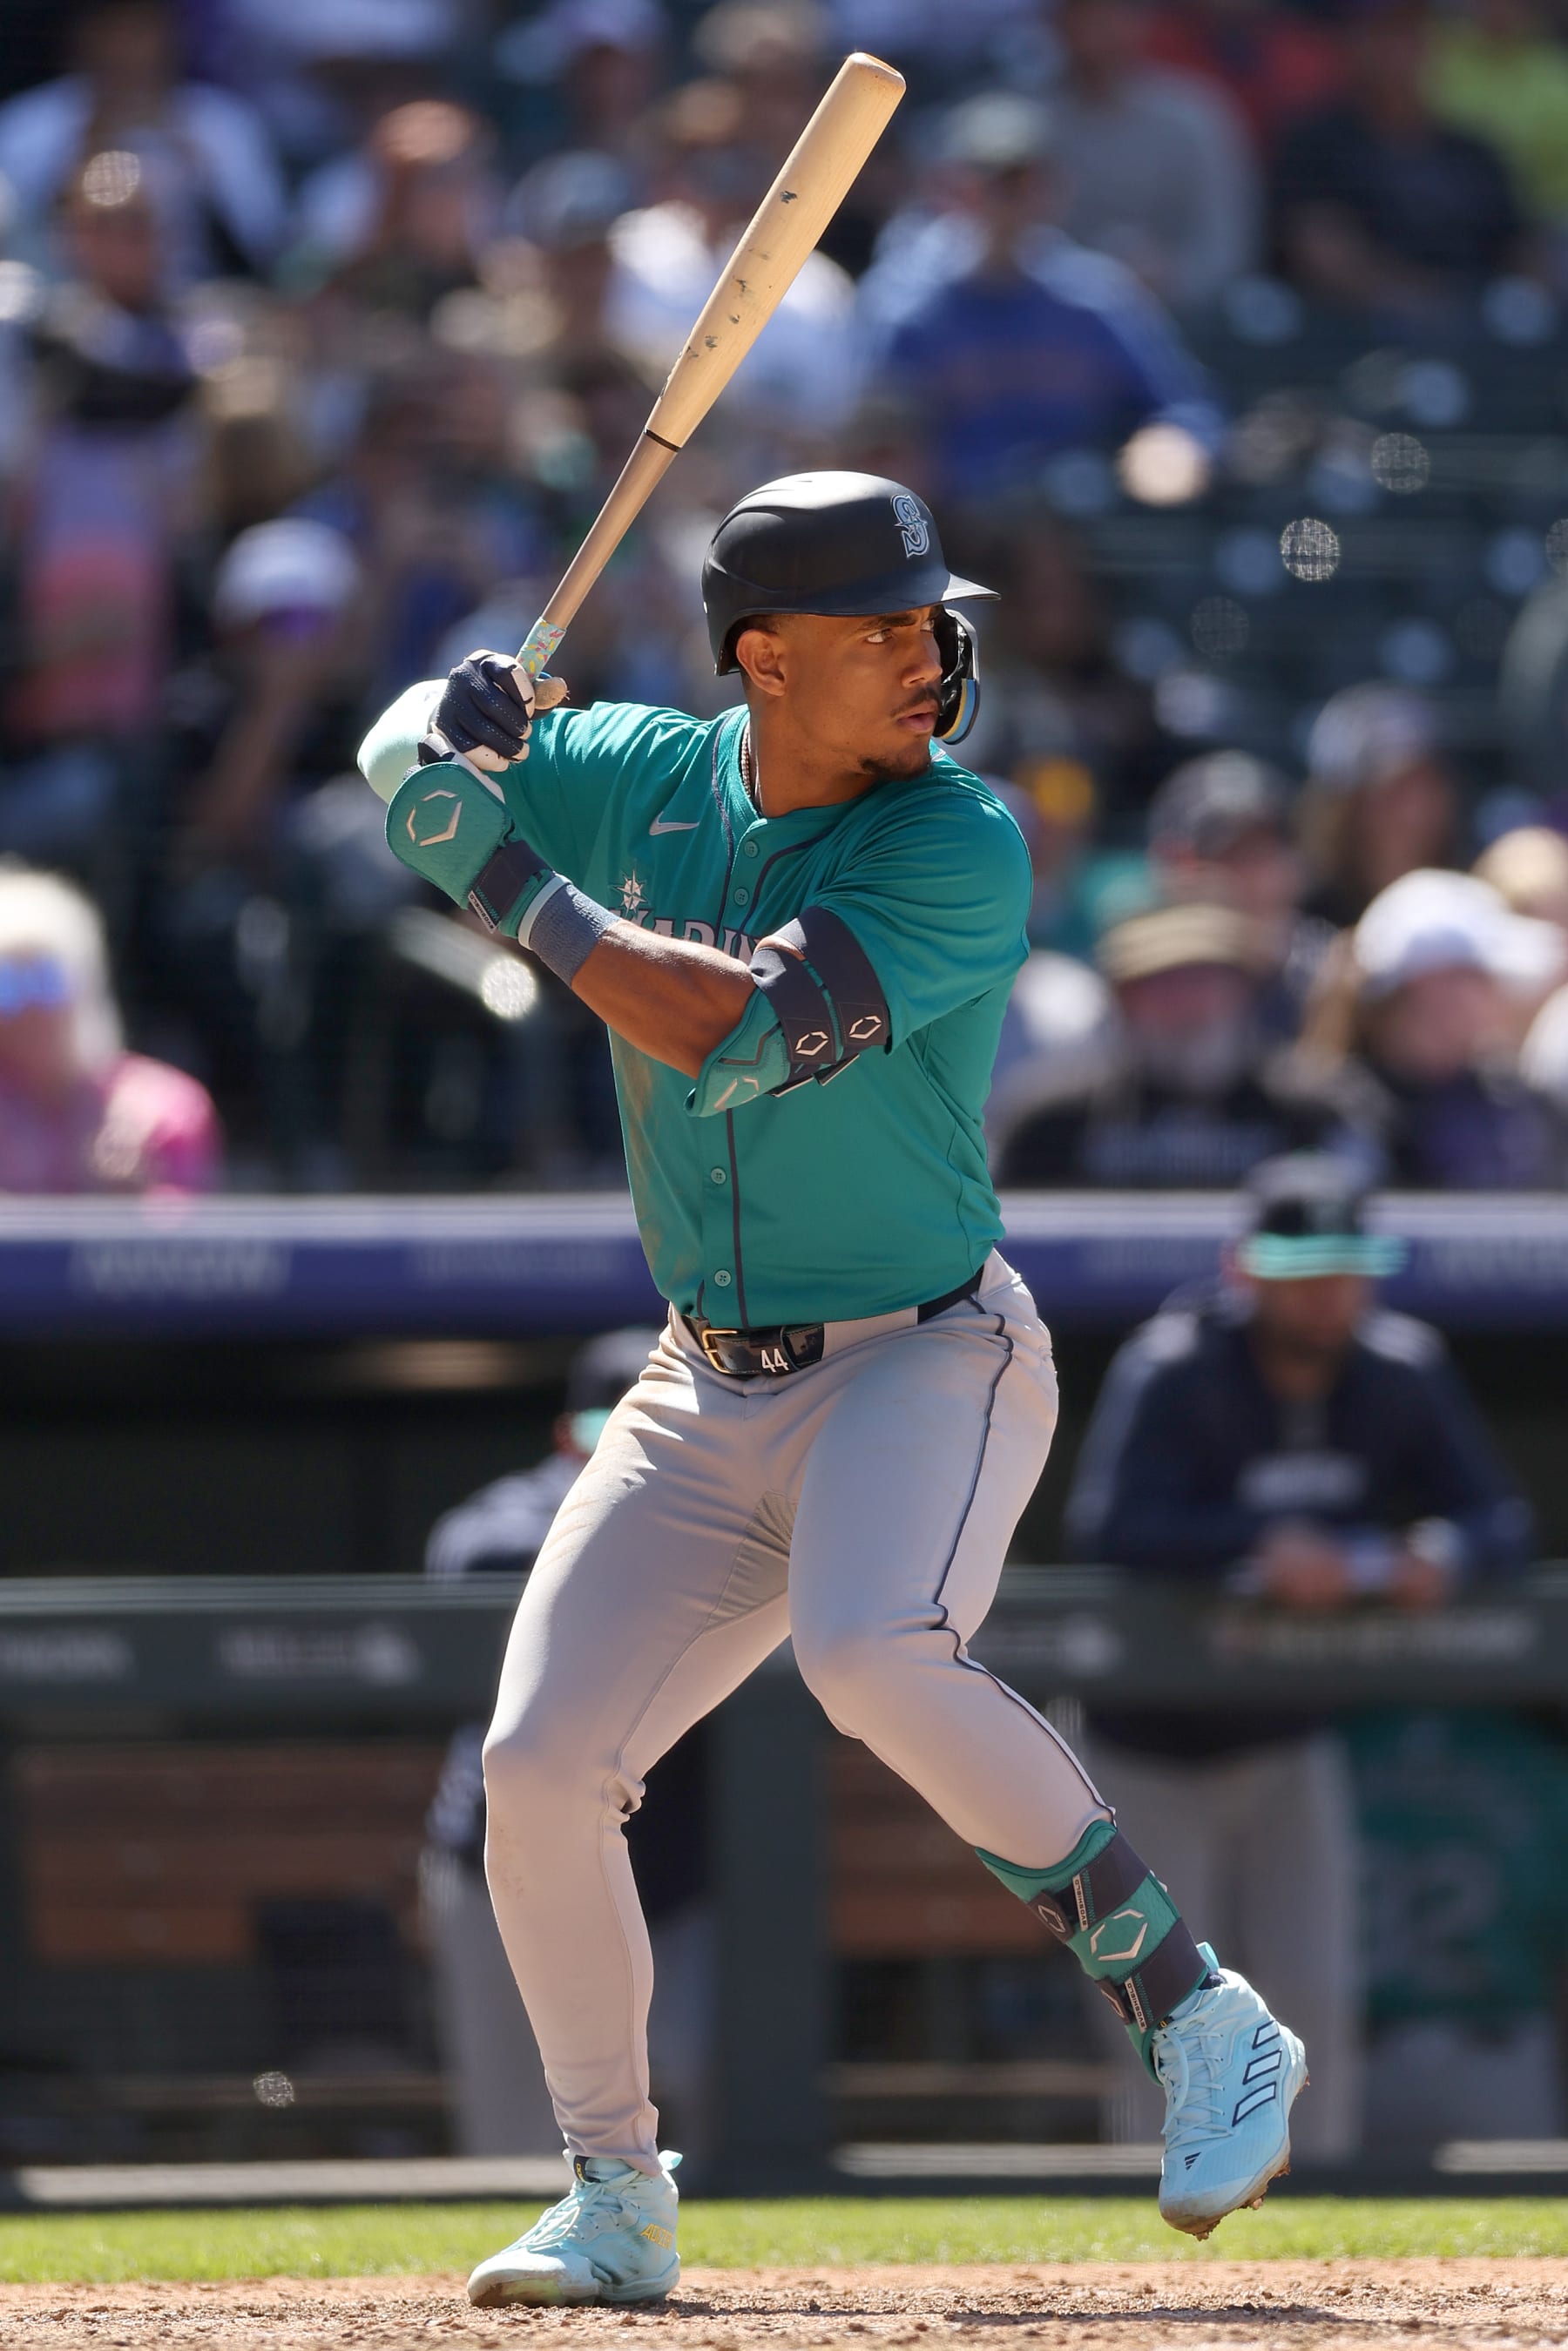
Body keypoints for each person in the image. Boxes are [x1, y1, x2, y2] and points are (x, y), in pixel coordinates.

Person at [358, 470, 1306, 2304]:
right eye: (879, 628)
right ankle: (614, 2188)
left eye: (929, 619)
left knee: (874, 1647)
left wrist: (480, 851)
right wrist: (453, 714)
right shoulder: (641, 765)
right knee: (538, 1766)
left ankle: (1197, 2009)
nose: (927, 654)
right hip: (698, 1382)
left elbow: (717, 1027)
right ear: (762, 656)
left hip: (926, 1352)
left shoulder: (957, 839)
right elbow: (395, 745)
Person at [1064, 1153, 1534, 2161]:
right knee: (1155, 2010)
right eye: (1305, 1269)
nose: (1329, 1296)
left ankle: (1319, 2217)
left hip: (1288, 1735)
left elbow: (1497, 1515)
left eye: (1347, 1269)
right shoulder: (1176, 1366)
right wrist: (1254, 1552)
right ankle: (1153, 2237)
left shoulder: (1398, 1368)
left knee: (1312, 1991)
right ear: (1248, 1270)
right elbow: (1110, 1526)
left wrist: (1432, 1552)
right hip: (1147, 1751)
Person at [420, 1328, 698, 2160]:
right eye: (600, 1429)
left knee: (706, 2100)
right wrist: (631, 1557)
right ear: (566, 1434)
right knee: (512, 2132)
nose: (618, 1448)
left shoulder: (730, 1513)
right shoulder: (520, 1513)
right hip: (505, 1868)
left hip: (686, 1870)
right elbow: (465, 1557)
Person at [862, 94, 1222, 503]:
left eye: (1026, 182)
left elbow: (1184, 408)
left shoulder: (1094, 298)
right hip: (953, 527)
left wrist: (1169, 446)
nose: (1011, 200)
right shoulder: (908, 307)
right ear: (954, 189)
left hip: (1080, 516)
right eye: (996, 183)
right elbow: (875, 433)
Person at [990, 896, 1355, 1188]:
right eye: (1161, 985)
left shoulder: (1315, 1115)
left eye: (1206, 981)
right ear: (1122, 1001)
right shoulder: (1050, 1122)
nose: (1187, 1006)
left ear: (1245, 993)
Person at [1301, 868, 1565, 1190]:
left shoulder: (1513, 1103)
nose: (1495, 994)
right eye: (1480, 977)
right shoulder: (1333, 1114)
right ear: (1433, 988)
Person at [1271, 0, 1525, 319]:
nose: (1402, 51)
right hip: (1357, 332)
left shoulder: (1473, 151)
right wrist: (1419, 301)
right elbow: (1321, 251)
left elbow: (1522, 248)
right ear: (1355, 44)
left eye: (1414, 36)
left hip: (1478, 327)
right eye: (1387, 36)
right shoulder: (1315, 143)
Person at [0, 865, 220, 1193]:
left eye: (45, 980)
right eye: (7, 986)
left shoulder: (162, 1109)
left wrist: (133, 1203)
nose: (30, 1008)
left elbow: (192, 1234)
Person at [1048, 0, 1261, 313]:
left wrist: (1174, 279)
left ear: (1139, 22)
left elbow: (1225, 242)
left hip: (1183, 319)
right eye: (1084, 15)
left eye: (1112, 14)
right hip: (1053, 320)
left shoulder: (1195, 117)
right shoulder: (1023, 119)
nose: (1097, 31)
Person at [1146, 753, 1329, 1041]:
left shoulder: (1326, 977)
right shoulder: (1141, 982)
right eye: (1233, 857)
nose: (1254, 880)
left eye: (1264, 855)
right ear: (1178, 866)